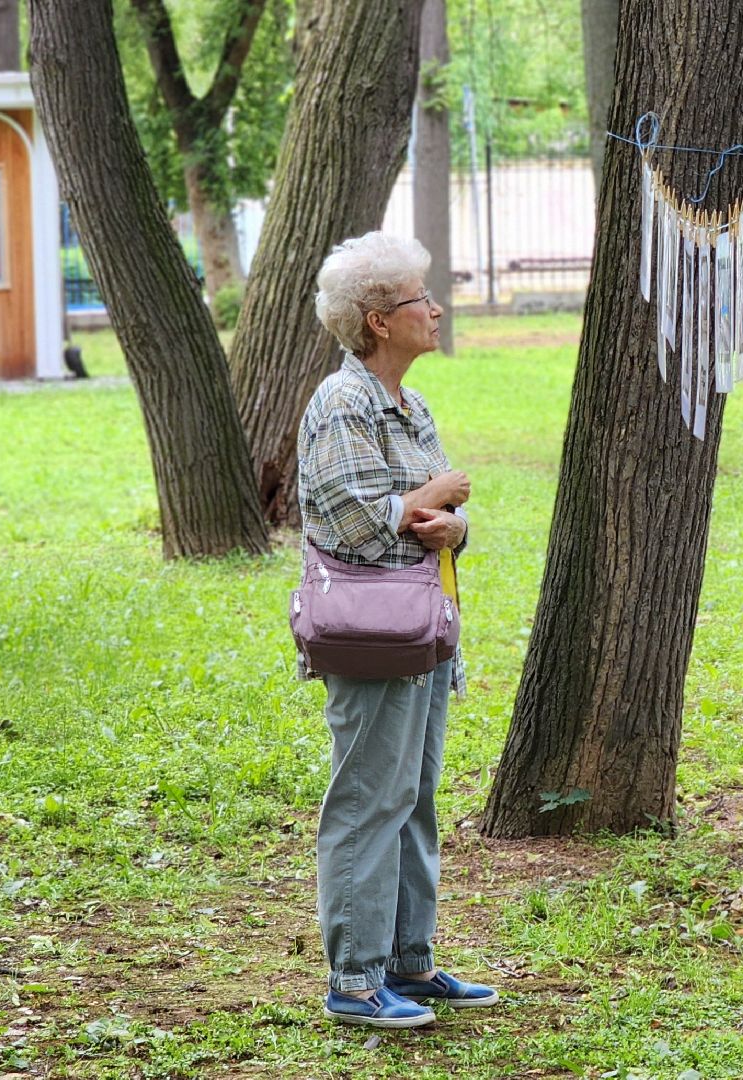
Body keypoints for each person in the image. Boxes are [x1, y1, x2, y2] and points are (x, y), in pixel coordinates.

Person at [297, 231, 497, 1028]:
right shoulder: (342, 401)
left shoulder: (410, 403)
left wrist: (451, 523)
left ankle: (409, 966)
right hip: (372, 633)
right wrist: (430, 500)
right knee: (368, 801)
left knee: (412, 798)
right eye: (421, 296)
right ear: (379, 319)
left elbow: (438, 515)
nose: (436, 307)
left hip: (422, 628)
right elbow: (347, 520)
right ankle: (354, 981)